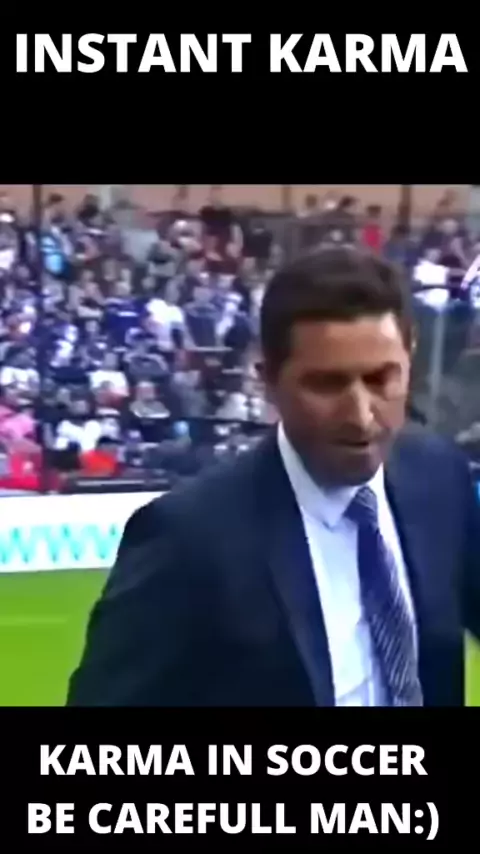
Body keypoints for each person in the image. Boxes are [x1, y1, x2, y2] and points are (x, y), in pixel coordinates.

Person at [67, 246, 480, 707]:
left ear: (410, 358)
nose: (361, 415)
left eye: (381, 379)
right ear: (268, 381)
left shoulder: (439, 477)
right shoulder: (187, 538)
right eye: (327, 384)